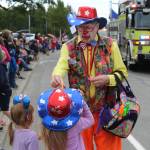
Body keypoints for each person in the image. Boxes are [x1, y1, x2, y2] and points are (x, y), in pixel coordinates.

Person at [51, 6, 128, 150]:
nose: (84, 31)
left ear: (97, 26)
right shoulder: (68, 47)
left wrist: (108, 79)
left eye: (89, 27)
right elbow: (61, 66)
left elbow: (123, 73)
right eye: (80, 27)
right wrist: (56, 77)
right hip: (79, 112)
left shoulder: (111, 45)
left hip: (106, 110)